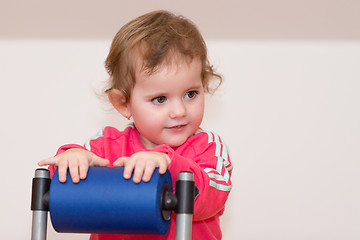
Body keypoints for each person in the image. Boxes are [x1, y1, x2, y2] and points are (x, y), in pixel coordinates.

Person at [39, 10, 233, 240]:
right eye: (160, 99)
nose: (179, 111)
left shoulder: (207, 147)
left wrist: (168, 162)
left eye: (190, 94)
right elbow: (60, 190)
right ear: (123, 103)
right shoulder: (105, 146)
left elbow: (214, 195)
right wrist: (72, 160)